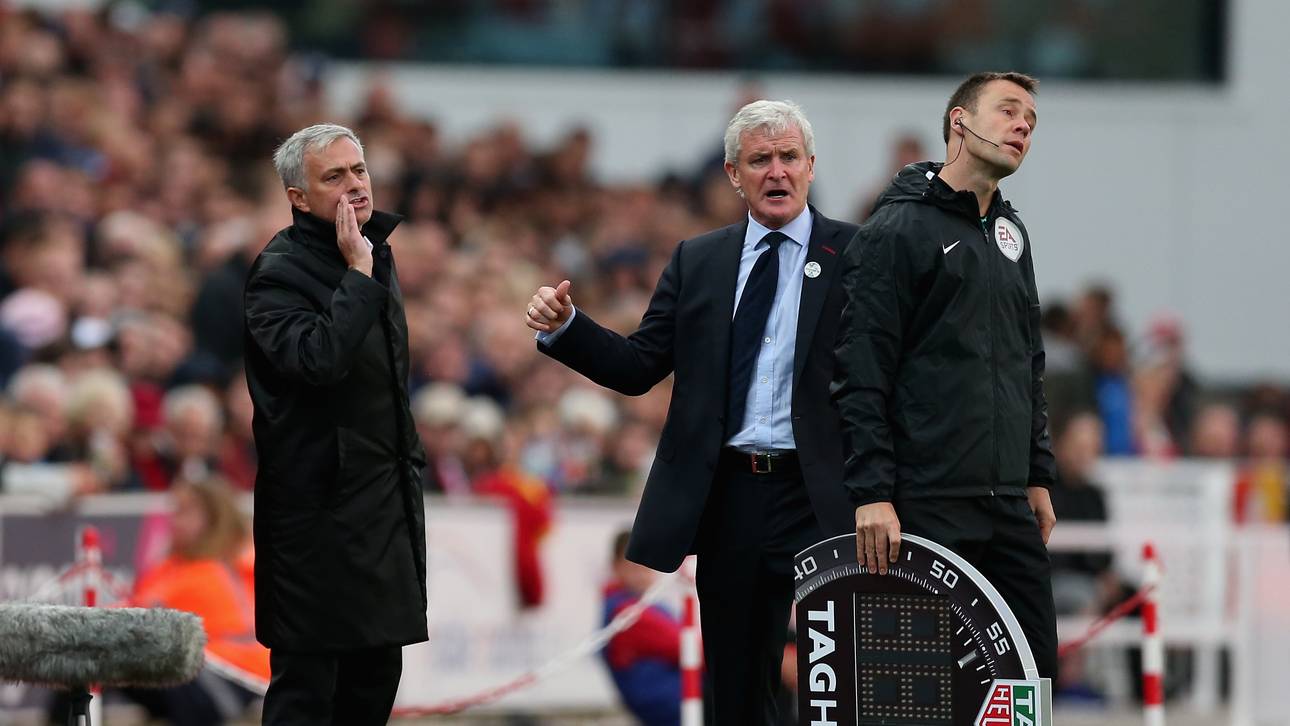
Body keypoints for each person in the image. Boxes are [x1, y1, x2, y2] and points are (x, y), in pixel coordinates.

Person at [526, 100, 858, 725]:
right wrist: (569, 328)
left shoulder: (860, 255)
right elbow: (637, 366)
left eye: (789, 157)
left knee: (830, 684)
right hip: (729, 496)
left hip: (821, 498)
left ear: (812, 167)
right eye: (760, 160)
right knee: (734, 683)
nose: (777, 171)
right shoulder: (698, 260)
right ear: (734, 174)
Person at [833, 71, 1060, 679]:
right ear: (960, 122)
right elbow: (861, 369)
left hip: (1008, 504)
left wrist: (1037, 475)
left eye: (1031, 122)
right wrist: (873, 493)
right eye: (1008, 111)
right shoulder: (896, 230)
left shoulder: (1013, 234)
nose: (1022, 127)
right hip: (927, 505)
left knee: (1031, 683)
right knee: (923, 693)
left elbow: (1027, 360)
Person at [243, 123, 427, 724]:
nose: (355, 186)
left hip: (380, 510)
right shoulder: (278, 272)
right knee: (308, 694)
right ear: (298, 196)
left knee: (374, 685)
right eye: (334, 176)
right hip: (315, 523)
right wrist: (356, 274)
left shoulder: (372, 251)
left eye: (359, 170)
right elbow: (317, 361)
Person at [601, 529, 681, 726]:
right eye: (634, 567)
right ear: (616, 567)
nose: (642, 574)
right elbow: (689, 648)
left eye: (647, 566)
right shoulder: (627, 612)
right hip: (669, 704)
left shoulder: (649, 605)